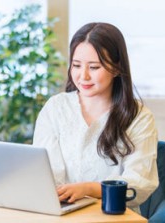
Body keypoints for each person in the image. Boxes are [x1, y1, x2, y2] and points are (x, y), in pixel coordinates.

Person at [32, 22, 158, 212]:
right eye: (76, 65)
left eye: (94, 67)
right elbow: (45, 172)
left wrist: (90, 189)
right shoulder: (55, 108)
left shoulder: (139, 117)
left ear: (116, 68)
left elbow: (138, 184)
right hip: (62, 213)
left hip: (113, 215)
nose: (83, 76)